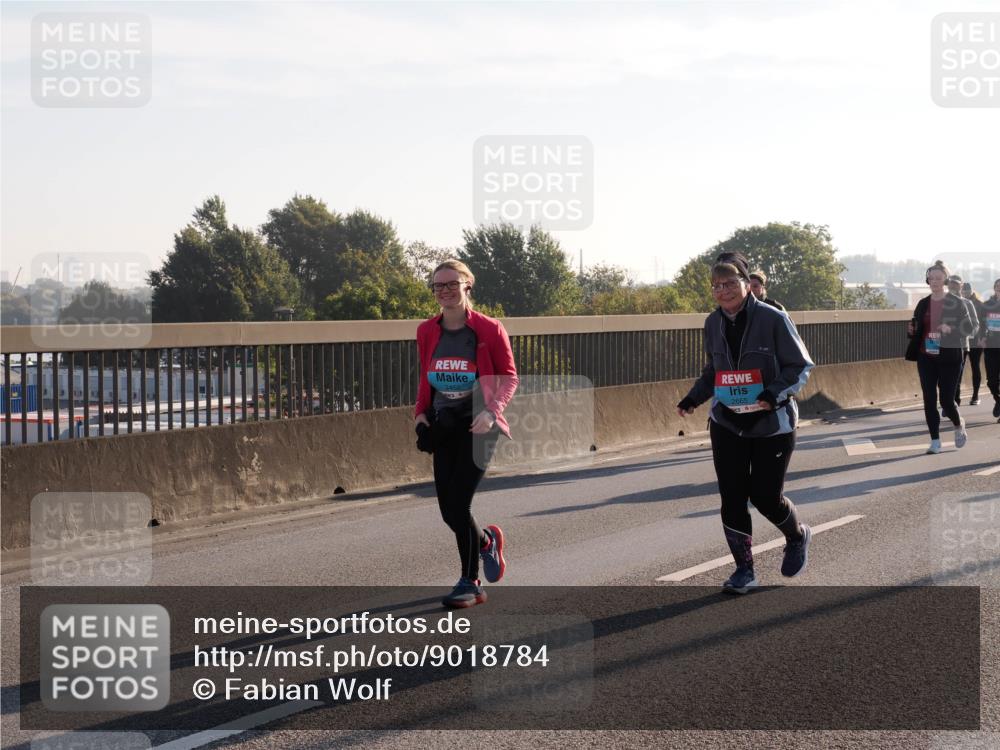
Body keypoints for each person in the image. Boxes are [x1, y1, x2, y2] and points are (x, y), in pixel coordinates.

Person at [676, 252, 813, 594]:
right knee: (732, 496)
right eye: (717, 286)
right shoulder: (712, 323)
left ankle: (797, 536)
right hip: (727, 422)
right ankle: (744, 570)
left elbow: (800, 367)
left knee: (766, 496)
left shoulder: (773, 318)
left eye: (730, 283)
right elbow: (714, 371)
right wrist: (694, 398)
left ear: (746, 283)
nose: (724, 291)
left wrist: (773, 393)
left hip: (772, 422)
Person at [414, 260, 518, 608]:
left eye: (451, 284)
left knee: (460, 502)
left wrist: (492, 412)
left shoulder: (489, 329)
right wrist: (420, 416)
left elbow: (508, 377)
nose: (444, 291)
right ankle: (486, 541)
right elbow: (425, 376)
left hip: (480, 425)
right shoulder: (427, 331)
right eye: (437, 286)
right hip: (444, 424)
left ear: (467, 286)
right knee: (448, 512)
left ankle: (470, 581)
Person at [906, 261, 974, 453]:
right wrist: (911, 330)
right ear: (927, 280)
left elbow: (969, 328)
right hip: (926, 355)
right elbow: (918, 328)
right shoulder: (923, 303)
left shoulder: (957, 302)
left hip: (949, 356)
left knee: (946, 400)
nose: (934, 281)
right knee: (929, 398)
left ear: (945, 280)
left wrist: (951, 328)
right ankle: (935, 441)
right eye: (932, 278)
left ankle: (958, 423)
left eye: (938, 278)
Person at [945, 274, 979, 406]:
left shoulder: (967, 303)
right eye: (951, 283)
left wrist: (966, 334)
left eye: (955, 283)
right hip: (942, 345)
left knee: (956, 377)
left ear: (961, 285)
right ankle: (949, 402)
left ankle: (954, 403)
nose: (952, 285)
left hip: (961, 346)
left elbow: (975, 325)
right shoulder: (941, 301)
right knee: (943, 377)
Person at [958, 282, 985, 405]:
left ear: (971, 291)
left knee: (975, 366)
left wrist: (981, 337)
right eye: (963, 291)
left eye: (967, 291)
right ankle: (955, 397)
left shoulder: (979, 304)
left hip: (975, 341)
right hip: (962, 340)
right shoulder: (958, 303)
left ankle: (975, 395)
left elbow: (982, 324)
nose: (965, 293)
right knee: (959, 368)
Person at [983, 278, 1000, 421]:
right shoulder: (987, 305)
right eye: (997, 286)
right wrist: (981, 337)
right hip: (991, 347)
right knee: (991, 382)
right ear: (994, 289)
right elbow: (981, 324)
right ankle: (999, 401)